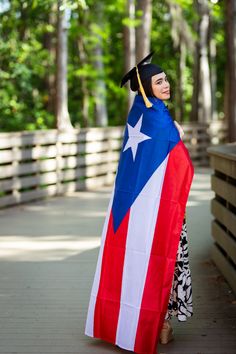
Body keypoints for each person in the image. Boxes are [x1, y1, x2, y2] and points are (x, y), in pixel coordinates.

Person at [85, 52, 194, 354]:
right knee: (163, 257)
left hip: (140, 206)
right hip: (158, 207)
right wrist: (178, 133)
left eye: (166, 79)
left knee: (145, 259)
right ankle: (160, 324)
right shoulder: (158, 117)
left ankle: (152, 322)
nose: (166, 84)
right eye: (159, 81)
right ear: (146, 88)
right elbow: (177, 157)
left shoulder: (139, 115)